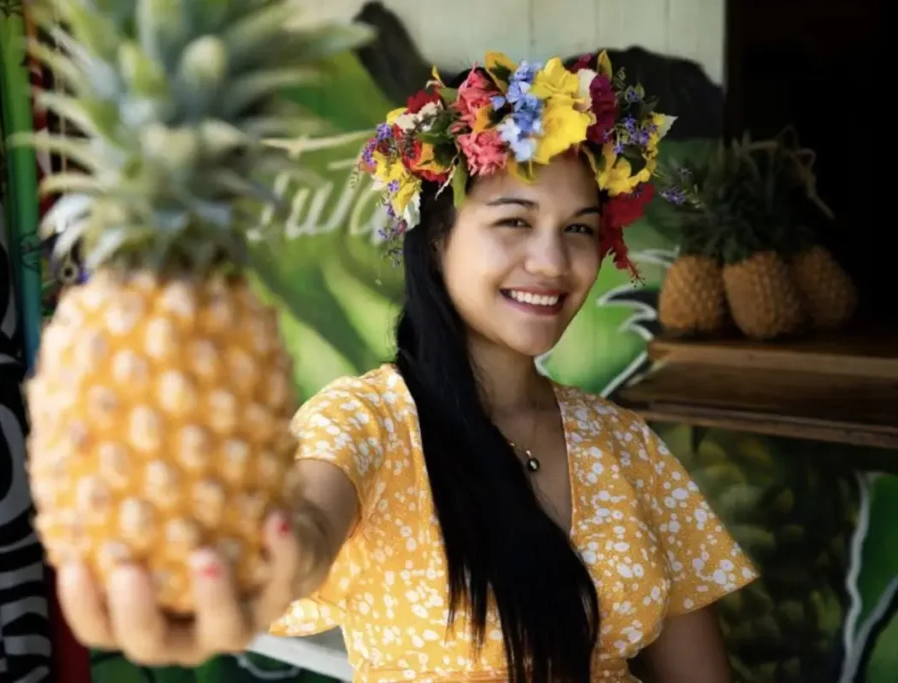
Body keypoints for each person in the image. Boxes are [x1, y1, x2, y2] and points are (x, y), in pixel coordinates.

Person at [55, 52, 758, 683]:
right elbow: (303, 520)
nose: (553, 260)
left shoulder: (624, 442)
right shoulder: (368, 423)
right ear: (434, 246)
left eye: (577, 228)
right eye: (514, 220)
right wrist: (242, 564)